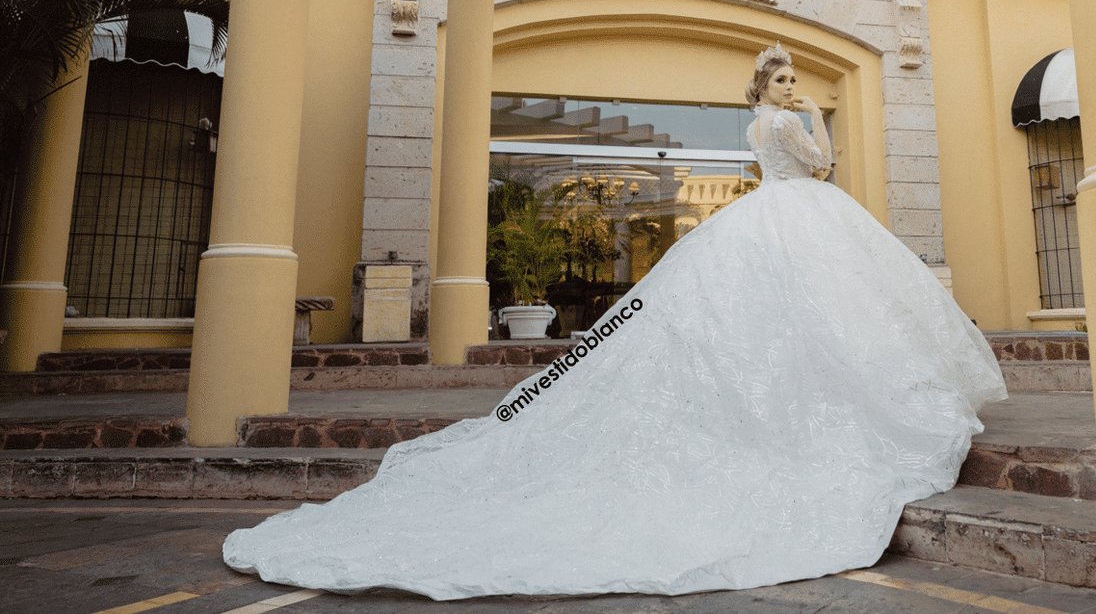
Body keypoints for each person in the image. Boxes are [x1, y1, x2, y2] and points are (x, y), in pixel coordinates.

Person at [223, 42, 1006, 599]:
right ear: (765, 86)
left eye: (793, 77)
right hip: (800, 210)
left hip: (766, 213)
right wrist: (817, 119)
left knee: (787, 322)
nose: (791, 84)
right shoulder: (789, 124)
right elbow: (825, 165)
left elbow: (779, 164)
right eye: (783, 78)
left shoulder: (749, 129)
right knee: (818, 315)